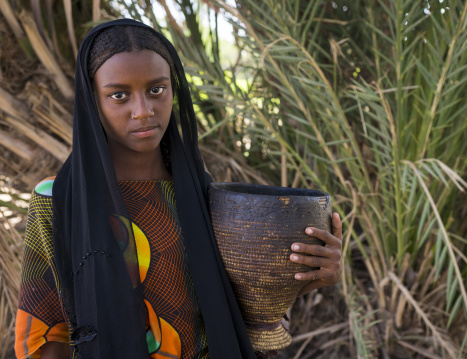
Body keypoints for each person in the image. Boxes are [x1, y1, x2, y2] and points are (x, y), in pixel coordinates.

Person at [14, 18, 343, 359]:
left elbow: (244, 307)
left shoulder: (206, 198)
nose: (143, 111)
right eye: (119, 95)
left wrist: (312, 272)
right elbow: (48, 329)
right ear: (91, 100)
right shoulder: (59, 201)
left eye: (157, 89)